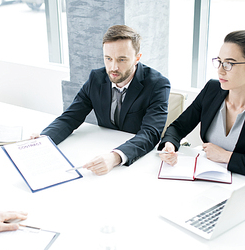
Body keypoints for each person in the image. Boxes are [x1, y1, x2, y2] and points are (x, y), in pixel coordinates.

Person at [159, 30, 245, 184]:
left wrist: (226, 157)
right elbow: (178, 127)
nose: (220, 70)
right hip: (204, 178)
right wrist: (169, 145)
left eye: (229, 64)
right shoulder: (212, 89)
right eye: (219, 61)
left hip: (243, 186)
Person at [40, 25, 171, 175]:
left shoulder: (158, 84)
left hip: (136, 162)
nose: (113, 67)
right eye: (108, 58)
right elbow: (70, 117)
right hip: (99, 149)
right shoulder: (96, 78)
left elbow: (150, 134)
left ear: (137, 58)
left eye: (122, 59)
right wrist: (43, 140)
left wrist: (115, 157)